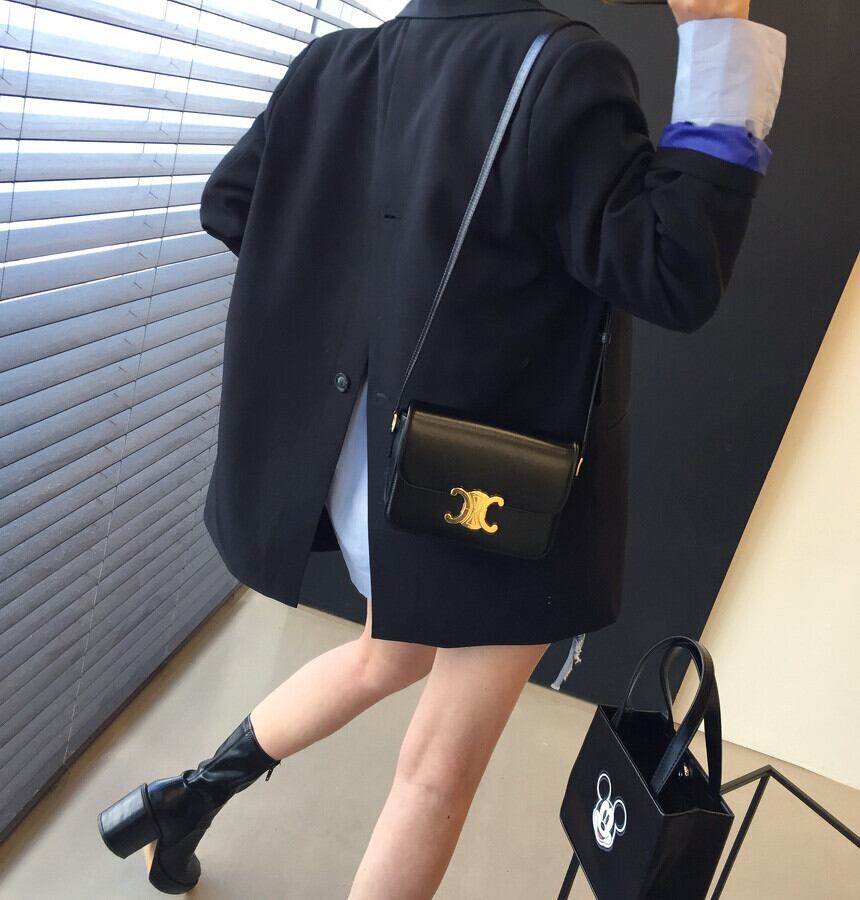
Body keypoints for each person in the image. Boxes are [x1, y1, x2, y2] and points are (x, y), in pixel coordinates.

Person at [97, 0, 786, 896]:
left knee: (388, 654)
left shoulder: (333, 64)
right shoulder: (563, 69)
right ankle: (186, 800)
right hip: (482, 493)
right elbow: (674, 269)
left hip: (366, 485)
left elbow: (231, 206)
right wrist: (718, 32)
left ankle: (186, 799)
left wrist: (363, 304)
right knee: (434, 775)